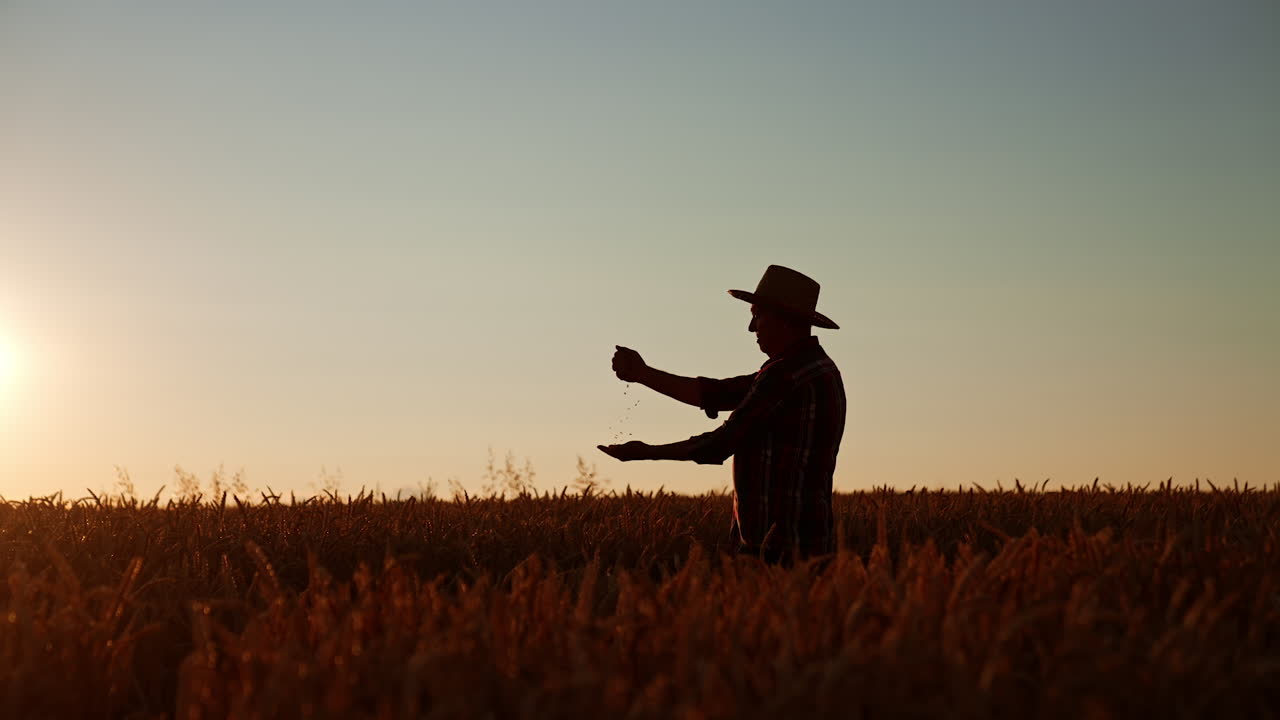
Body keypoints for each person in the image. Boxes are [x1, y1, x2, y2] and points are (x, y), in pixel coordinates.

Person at [598, 265, 846, 565]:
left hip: (777, 553)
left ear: (784, 319)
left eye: (757, 316)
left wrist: (645, 453)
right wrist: (642, 373)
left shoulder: (786, 375)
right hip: (807, 545)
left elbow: (720, 443)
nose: (751, 328)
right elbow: (717, 393)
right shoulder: (812, 369)